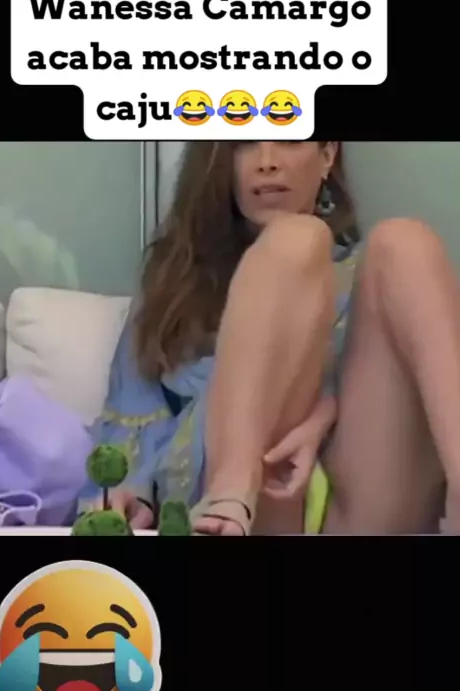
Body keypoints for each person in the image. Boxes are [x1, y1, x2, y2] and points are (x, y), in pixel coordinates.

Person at [81, 140, 460, 535]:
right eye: (246, 145)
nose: (267, 163)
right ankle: (231, 492)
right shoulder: (177, 281)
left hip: (355, 501)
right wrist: (132, 493)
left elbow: (390, 392)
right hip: (254, 501)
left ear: (327, 156)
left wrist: (326, 413)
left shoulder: (373, 279)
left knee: (405, 241)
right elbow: (131, 408)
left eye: (290, 140)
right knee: (297, 237)